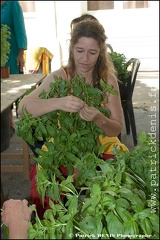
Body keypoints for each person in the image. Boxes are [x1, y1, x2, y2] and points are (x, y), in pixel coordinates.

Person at [17, 19, 125, 219]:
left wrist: (99, 118)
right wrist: (58, 102)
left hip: (103, 146)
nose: (85, 59)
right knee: (46, 186)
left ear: (100, 52)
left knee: (120, 187)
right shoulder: (61, 77)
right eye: (79, 50)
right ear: (71, 49)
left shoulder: (107, 80)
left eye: (92, 53)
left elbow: (116, 129)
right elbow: (23, 108)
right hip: (64, 145)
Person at [1, 1, 27, 135]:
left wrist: (21, 54)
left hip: (10, 54)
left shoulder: (13, 4)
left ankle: (11, 124)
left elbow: (20, 30)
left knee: (10, 88)